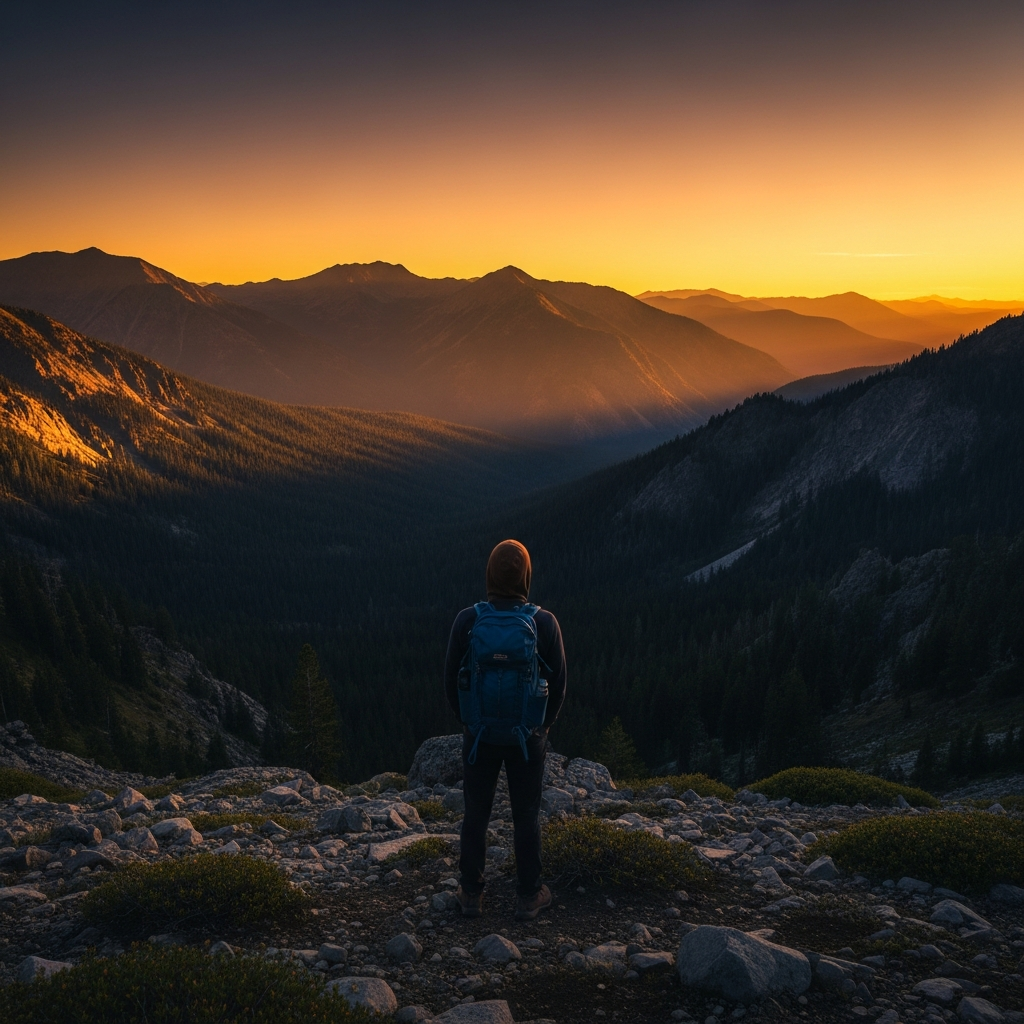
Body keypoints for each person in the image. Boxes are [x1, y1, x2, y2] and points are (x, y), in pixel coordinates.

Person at [444, 539, 566, 921]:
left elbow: (451, 679)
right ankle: (529, 895)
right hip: (525, 738)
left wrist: (468, 723)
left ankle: (469, 893)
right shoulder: (543, 623)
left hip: (479, 735)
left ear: (490, 575)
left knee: (475, 812)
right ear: (526, 575)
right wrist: (542, 728)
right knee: (526, 815)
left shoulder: (468, 620)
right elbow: (559, 684)